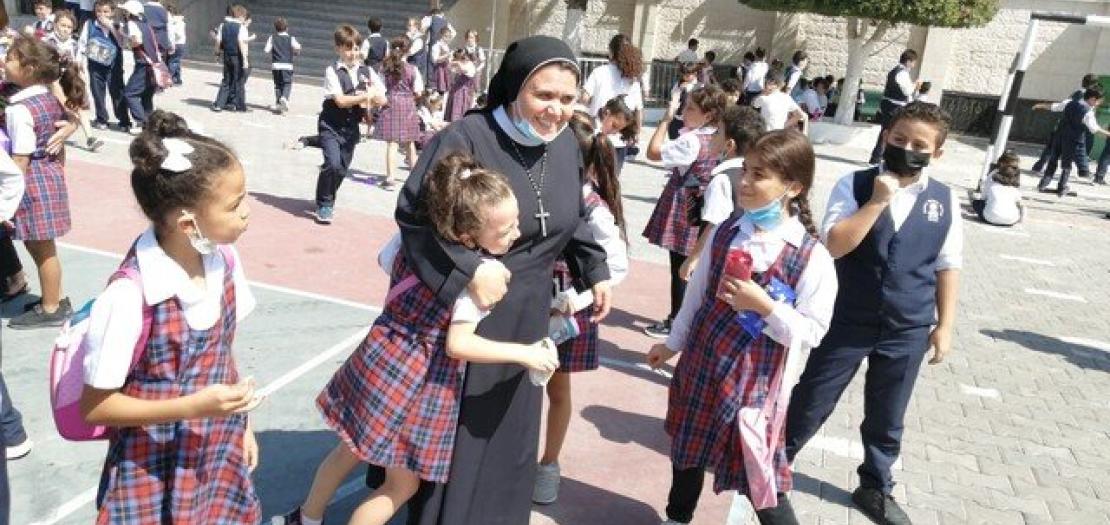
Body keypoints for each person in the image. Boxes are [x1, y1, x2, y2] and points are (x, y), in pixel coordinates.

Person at [366, 35, 612, 525]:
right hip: (468, 313)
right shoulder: (468, 137)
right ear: (515, 87)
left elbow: (569, 216)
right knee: (462, 434)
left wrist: (595, 269)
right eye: (544, 95)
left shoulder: (566, 143)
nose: (556, 110)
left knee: (510, 431)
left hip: (529, 313)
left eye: (567, 98)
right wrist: (469, 269)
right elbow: (415, 214)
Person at [278, 152, 560, 525]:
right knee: (401, 485)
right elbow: (458, 344)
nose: (516, 234)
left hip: (380, 354)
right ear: (467, 236)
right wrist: (524, 354)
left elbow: (384, 260)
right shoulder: (481, 277)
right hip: (419, 381)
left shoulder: (408, 242)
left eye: (516, 223)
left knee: (349, 447)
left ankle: (307, 516)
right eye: (504, 230)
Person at [79, 110, 262, 523]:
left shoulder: (224, 261)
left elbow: (222, 354)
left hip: (214, 447)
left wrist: (242, 424)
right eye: (235, 205)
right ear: (187, 223)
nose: (247, 212)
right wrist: (192, 406)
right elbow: (95, 406)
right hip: (151, 463)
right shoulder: (130, 296)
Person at [647, 129, 837, 525]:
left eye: (759, 175)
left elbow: (813, 332)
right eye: (746, 171)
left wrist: (765, 307)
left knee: (759, 473)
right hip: (702, 365)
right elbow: (696, 298)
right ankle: (677, 517)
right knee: (687, 451)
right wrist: (672, 344)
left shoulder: (811, 257)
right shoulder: (726, 232)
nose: (745, 182)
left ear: (793, 187)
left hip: (754, 384)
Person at [786, 102, 963, 525]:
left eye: (919, 145)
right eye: (899, 139)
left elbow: (947, 264)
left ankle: (876, 486)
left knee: (888, 413)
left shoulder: (944, 200)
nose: (907, 149)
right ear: (886, 137)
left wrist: (945, 325)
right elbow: (834, 245)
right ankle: (773, 460)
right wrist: (878, 202)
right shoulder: (855, 184)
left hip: (908, 325)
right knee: (813, 397)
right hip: (849, 317)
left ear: (937, 153)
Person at [534, 112, 630, 505]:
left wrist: (579, 298)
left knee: (557, 388)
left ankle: (548, 465)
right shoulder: (539, 188)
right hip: (528, 301)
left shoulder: (592, 207)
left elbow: (616, 266)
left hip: (564, 313)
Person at [5, 35, 85, 329]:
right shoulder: (47, 98)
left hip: (31, 182)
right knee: (40, 245)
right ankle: (54, 298)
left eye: (10, 58)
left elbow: (20, 159)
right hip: (47, 176)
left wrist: (5, 200)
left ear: (29, 68)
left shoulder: (19, 109)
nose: (4, 61)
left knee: (41, 248)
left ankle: (51, 307)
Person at [642, 85, 729, 338]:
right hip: (704, 202)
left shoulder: (691, 140)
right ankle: (686, 317)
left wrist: (665, 120)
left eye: (691, 108)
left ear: (708, 114)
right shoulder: (718, 136)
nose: (684, 111)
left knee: (680, 266)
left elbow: (653, 152)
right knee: (694, 264)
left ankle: (676, 321)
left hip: (686, 204)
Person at [678, 105, 765, 281]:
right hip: (747, 257)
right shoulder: (759, 177)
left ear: (729, 145)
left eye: (717, 132)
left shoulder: (722, 179)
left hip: (721, 257)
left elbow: (713, 225)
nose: (712, 136)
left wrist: (693, 258)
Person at [312, 24, 386, 224]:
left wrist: (374, 98)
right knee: (332, 163)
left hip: (351, 128)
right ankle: (325, 204)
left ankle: (324, 195)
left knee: (341, 169)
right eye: (347, 49)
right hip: (330, 124)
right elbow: (340, 100)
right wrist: (365, 96)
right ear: (338, 48)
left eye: (355, 48)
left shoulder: (367, 71)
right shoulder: (332, 70)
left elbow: (382, 98)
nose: (352, 53)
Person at [581, 34, 643, 173]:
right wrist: (637, 132)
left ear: (611, 52)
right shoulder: (632, 78)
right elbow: (638, 109)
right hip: (620, 137)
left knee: (590, 177)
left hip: (596, 134)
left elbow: (584, 98)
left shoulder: (599, 72)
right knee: (612, 178)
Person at [43, 9, 103, 151]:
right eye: (62, 25)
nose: (65, 29)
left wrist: (81, 78)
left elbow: (78, 64)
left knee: (79, 105)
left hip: (69, 79)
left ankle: (90, 137)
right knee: (59, 109)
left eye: (69, 27)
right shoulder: (47, 41)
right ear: (55, 24)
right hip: (52, 82)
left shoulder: (74, 44)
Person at [1036, 87, 1109, 196]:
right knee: (1067, 164)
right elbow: (1094, 129)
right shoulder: (1088, 112)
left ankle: (1043, 184)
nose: (1098, 104)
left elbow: (1054, 107)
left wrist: (1040, 105)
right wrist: (1108, 133)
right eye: (1098, 101)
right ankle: (1062, 187)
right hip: (1072, 140)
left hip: (1059, 136)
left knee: (1053, 160)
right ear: (1092, 99)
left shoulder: (1069, 102)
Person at [374, 35, 423, 190]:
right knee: (410, 142)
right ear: (408, 51)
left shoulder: (385, 67)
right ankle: (415, 178)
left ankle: (390, 178)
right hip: (408, 104)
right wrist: (410, 97)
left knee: (392, 143)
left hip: (391, 102)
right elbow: (419, 91)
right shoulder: (413, 69)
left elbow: (379, 87)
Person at [1031, 74, 1097, 177]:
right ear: (1093, 84)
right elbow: (1063, 106)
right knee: (1075, 150)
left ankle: (1039, 167)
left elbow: (1061, 106)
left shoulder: (1077, 93)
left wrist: (1042, 105)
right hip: (1074, 128)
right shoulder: (1084, 96)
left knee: (1053, 147)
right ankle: (1082, 171)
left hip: (1064, 125)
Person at [80, 0, 129, 132]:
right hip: (95, 64)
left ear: (112, 12)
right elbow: (82, 43)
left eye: (106, 11)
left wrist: (111, 27)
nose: (102, 14)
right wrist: (80, 61)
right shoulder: (89, 24)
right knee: (97, 92)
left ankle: (124, 120)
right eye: (98, 11)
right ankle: (102, 119)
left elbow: (123, 43)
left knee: (117, 91)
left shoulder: (118, 25)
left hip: (114, 64)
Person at [868, 49, 918, 165]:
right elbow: (907, 91)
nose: (914, 65)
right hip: (894, 106)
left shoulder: (895, 71)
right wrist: (915, 85)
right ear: (908, 61)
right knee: (888, 131)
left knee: (887, 131)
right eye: (913, 62)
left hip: (891, 105)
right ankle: (877, 157)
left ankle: (879, 157)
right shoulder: (902, 73)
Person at [119, 0, 159, 134]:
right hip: (153, 63)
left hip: (143, 63)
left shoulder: (132, 24)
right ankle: (150, 124)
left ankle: (141, 122)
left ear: (130, 13)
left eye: (125, 11)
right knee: (146, 95)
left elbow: (137, 41)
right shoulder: (146, 25)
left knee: (130, 93)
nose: (124, 14)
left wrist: (126, 37)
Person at [211, 4, 248, 113]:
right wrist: (245, 59)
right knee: (238, 80)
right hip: (237, 56)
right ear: (240, 16)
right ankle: (237, 104)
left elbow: (218, 41)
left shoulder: (223, 26)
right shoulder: (241, 27)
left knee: (226, 80)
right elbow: (241, 43)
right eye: (244, 17)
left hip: (227, 55)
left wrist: (217, 54)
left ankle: (219, 104)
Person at [973, 150, 1023, 226]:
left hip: (990, 216)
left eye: (1015, 167)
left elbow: (983, 197)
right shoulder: (1014, 181)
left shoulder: (994, 177)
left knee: (977, 203)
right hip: (1011, 220)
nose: (1013, 169)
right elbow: (1019, 202)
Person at [264, 17, 301, 114]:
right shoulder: (291, 38)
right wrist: (295, 52)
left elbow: (266, 50)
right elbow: (298, 47)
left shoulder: (272, 38)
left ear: (275, 28)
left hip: (276, 65)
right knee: (287, 83)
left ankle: (278, 103)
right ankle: (284, 97)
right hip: (287, 65)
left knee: (277, 85)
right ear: (287, 28)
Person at [666, 63, 699, 140]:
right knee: (674, 141)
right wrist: (680, 89)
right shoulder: (678, 84)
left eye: (688, 74)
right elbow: (673, 98)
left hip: (691, 122)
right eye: (684, 73)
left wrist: (686, 89)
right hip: (676, 120)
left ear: (695, 74)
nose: (685, 76)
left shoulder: (700, 86)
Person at [421, 7, 454, 83]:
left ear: (433, 14)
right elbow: (453, 33)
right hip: (442, 46)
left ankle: (431, 85)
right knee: (441, 67)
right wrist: (446, 41)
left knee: (431, 65)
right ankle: (440, 84)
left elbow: (422, 29)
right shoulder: (446, 22)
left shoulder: (430, 19)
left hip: (432, 45)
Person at [444, 47, 476, 122]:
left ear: (468, 56)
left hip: (464, 91)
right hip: (456, 90)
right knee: (452, 109)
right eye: (461, 57)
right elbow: (450, 68)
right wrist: (452, 61)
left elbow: (464, 70)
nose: (462, 58)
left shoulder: (470, 65)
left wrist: (457, 63)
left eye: (463, 56)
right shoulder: (461, 63)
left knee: (460, 109)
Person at [165, 0, 185, 85]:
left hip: (176, 43)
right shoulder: (179, 21)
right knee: (176, 61)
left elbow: (178, 34)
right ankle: (177, 79)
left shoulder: (175, 22)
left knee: (172, 62)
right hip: (180, 43)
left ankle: (168, 79)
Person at [429, 26, 451, 94]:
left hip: (446, 69)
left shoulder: (446, 46)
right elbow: (435, 59)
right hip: (439, 70)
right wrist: (446, 56)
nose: (447, 39)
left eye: (449, 37)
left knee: (447, 89)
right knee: (440, 88)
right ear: (441, 36)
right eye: (446, 36)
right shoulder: (436, 46)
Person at [404, 17, 426, 82]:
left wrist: (401, 55)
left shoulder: (419, 39)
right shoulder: (410, 37)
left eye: (410, 25)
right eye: (408, 25)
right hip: (411, 64)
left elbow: (410, 52)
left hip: (417, 65)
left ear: (416, 27)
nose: (408, 28)